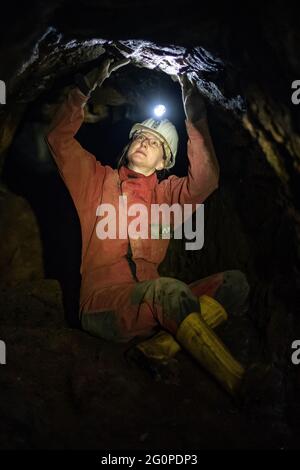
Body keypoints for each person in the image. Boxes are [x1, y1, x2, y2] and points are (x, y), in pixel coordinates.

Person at [45, 54, 271, 401]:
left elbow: (207, 178)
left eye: (155, 142)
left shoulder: (168, 197)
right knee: (169, 291)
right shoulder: (96, 180)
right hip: (103, 306)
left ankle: (158, 348)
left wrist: (193, 109)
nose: (145, 141)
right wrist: (85, 85)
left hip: (153, 301)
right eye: (140, 137)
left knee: (234, 285)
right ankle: (239, 381)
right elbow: (58, 138)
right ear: (128, 146)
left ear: (165, 161)